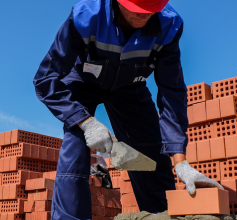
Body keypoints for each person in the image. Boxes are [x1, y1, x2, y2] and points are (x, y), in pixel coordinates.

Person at [33, 0, 223, 219]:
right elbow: (45, 78)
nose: (144, 17)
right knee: (76, 148)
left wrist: (181, 162)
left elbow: (172, 93)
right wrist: (85, 122)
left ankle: (160, 215)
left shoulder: (169, 25)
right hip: (84, 80)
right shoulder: (86, 16)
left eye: (151, 11)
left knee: (152, 154)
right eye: (137, 10)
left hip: (130, 86)